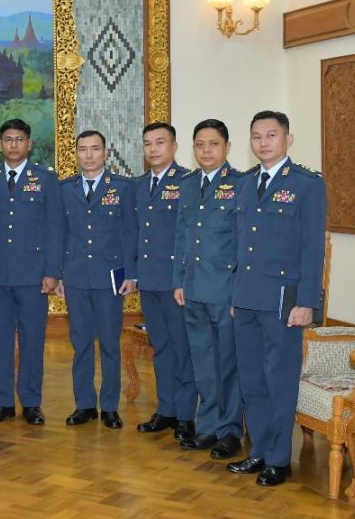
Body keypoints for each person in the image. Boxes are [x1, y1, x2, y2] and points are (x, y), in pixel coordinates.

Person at [227, 111, 327, 487]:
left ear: (288, 139)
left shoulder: (306, 184)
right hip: (246, 297)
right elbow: (238, 245)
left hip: (285, 301)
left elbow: (312, 249)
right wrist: (235, 293)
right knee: (251, 378)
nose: (263, 142)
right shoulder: (244, 183)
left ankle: (279, 460)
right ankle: (259, 451)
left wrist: (307, 302)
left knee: (279, 379)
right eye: (257, 136)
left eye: (271, 135)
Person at [172, 119, 244, 458]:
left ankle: (230, 431)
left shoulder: (240, 184)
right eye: (200, 144)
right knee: (203, 362)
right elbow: (181, 236)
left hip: (225, 289)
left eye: (213, 144)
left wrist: (239, 291)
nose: (206, 151)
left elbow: (244, 243)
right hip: (193, 287)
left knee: (227, 363)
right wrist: (178, 280)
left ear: (227, 147)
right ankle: (209, 426)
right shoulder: (187, 185)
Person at [57, 130, 137, 428]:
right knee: (81, 344)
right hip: (76, 276)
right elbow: (59, 234)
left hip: (110, 278)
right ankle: (85, 405)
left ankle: (110, 406)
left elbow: (131, 232)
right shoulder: (65, 189)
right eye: (83, 149)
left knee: (109, 344)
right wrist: (59, 273)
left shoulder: (123, 188)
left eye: (95, 149)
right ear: (75, 153)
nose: (89, 155)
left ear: (106, 152)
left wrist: (131, 274)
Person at [0, 118, 61, 426]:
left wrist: (52, 271)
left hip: (34, 275)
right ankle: (2, 402)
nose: (13, 144)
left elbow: (55, 228)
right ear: (0, 144)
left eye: (19, 139)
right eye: (8, 139)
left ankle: (31, 402)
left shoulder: (46, 179)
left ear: (29, 144)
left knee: (32, 340)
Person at [134, 122, 199, 442]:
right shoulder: (138, 185)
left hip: (176, 283)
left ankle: (186, 416)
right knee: (160, 347)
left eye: (160, 142)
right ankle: (167, 409)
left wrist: (183, 279)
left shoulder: (187, 182)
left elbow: (190, 236)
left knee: (182, 349)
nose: (153, 149)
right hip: (148, 280)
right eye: (148, 143)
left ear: (174, 146)